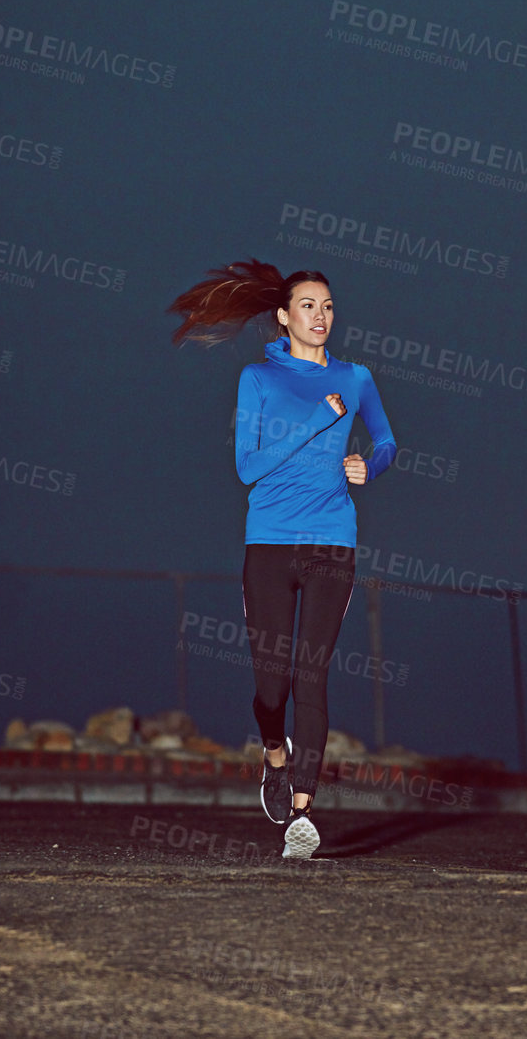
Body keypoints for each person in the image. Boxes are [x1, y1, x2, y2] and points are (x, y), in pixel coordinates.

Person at [168, 260, 396, 859]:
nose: (320, 316)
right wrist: (319, 420)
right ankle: (274, 756)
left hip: (331, 541)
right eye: (307, 306)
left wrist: (367, 465)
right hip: (269, 542)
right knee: (272, 688)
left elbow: (388, 439)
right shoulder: (258, 380)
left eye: (326, 306)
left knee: (311, 677)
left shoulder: (356, 378)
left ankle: (303, 812)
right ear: (283, 316)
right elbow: (248, 467)